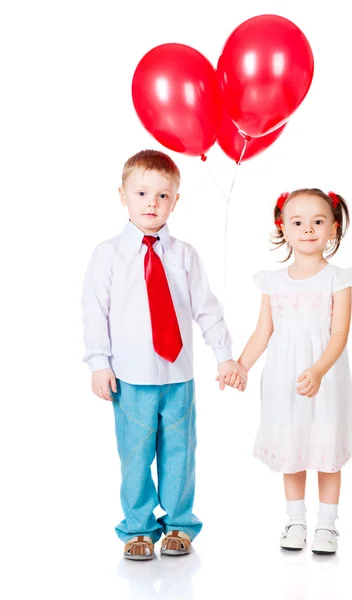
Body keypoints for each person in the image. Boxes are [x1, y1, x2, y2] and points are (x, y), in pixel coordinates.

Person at [82, 149, 247, 560]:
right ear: (122, 195)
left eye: (163, 195)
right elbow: (94, 311)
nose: (152, 203)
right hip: (130, 379)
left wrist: (224, 355)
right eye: (141, 193)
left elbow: (207, 308)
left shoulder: (184, 255)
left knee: (179, 453)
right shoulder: (108, 255)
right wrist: (98, 363)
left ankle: (179, 524)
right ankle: (137, 528)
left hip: (179, 378)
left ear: (176, 200)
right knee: (135, 455)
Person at [222, 188, 352, 554]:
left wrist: (318, 370)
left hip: (324, 377)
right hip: (285, 378)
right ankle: (295, 520)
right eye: (297, 222)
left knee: (326, 449)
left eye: (318, 222)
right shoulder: (273, 282)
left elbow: (339, 333)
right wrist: (241, 364)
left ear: (333, 228)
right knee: (293, 447)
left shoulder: (339, 279)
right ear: (282, 227)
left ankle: (328, 526)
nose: (308, 229)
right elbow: (263, 332)